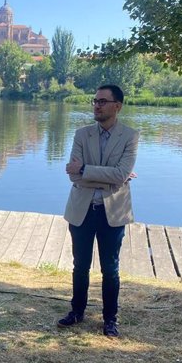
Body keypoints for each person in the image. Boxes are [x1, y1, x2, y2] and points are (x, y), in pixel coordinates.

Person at [58, 84, 139, 337]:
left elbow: (121, 173)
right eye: (95, 100)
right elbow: (74, 177)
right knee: (79, 265)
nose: (97, 105)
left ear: (117, 106)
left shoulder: (130, 136)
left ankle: (110, 319)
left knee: (110, 268)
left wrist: (85, 170)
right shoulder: (82, 134)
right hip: (82, 209)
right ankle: (77, 311)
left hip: (112, 212)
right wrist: (107, 176)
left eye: (103, 101)